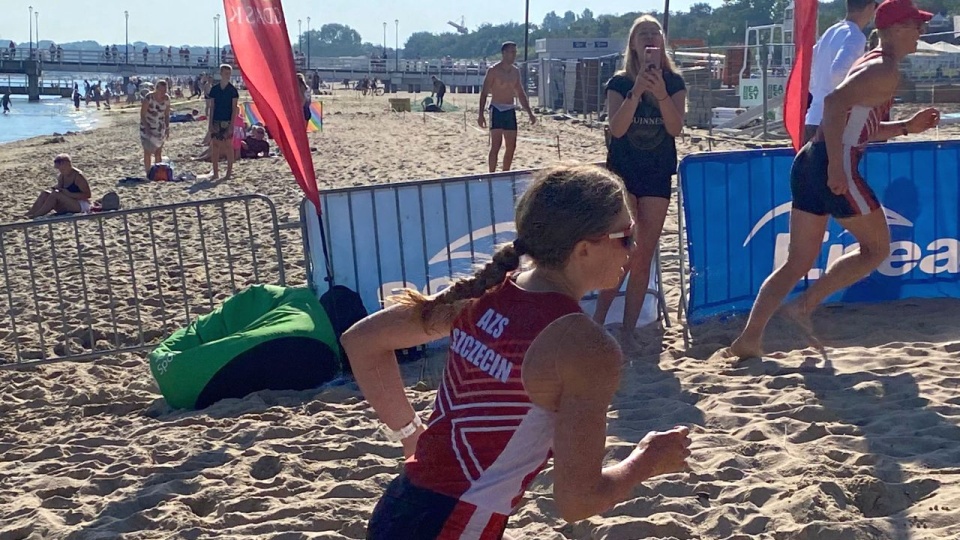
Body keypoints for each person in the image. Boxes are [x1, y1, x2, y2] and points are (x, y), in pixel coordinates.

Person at [342, 164, 693, 540]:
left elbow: (362, 341)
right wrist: (645, 461)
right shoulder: (585, 346)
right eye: (626, 235)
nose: (635, 248)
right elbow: (577, 502)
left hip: (401, 503)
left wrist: (410, 434)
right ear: (584, 249)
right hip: (455, 525)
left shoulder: (481, 293)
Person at [726, 0, 940, 360]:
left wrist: (905, 127)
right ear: (895, 30)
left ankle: (749, 338)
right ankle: (804, 306)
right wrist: (839, 167)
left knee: (797, 262)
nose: (921, 33)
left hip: (810, 159)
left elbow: (857, 126)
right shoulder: (884, 70)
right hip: (830, 161)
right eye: (915, 25)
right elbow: (833, 104)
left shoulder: (874, 63)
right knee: (877, 250)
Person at [591, 15, 687, 353]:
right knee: (621, 252)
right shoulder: (619, 83)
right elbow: (616, 129)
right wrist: (637, 92)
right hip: (623, 172)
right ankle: (597, 323)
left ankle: (628, 331)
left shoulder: (674, 82)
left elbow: (676, 129)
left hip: (657, 172)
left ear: (662, 43)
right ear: (633, 45)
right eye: (642, 34)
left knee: (644, 254)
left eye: (655, 33)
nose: (650, 39)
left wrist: (660, 94)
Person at [803, 0, 878, 145]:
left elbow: (811, 70)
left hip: (812, 118)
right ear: (870, 7)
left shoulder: (830, 32)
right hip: (833, 123)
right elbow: (838, 72)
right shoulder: (855, 36)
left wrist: (820, 91)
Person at [478, 42, 537, 173]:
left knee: (511, 146)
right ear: (504, 53)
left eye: (515, 52)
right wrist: (480, 114)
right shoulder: (493, 71)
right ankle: (491, 174)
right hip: (496, 109)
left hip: (509, 109)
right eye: (511, 52)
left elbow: (520, 93)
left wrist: (530, 113)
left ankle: (505, 173)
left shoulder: (515, 72)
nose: (514, 55)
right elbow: (484, 93)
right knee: (496, 145)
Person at [27, 154, 92, 218]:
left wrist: (69, 194)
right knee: (45, 193)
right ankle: (29, 214)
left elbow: (87, 195)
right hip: (67, 204)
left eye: (61, 168)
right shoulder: (61, 176)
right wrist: (57, 188)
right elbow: (59, 191)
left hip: (81, 205)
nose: (60, 170)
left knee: (56, 194)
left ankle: (36, 215)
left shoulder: (77, 176)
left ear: (67, 164)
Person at [206, 64, 240, 180]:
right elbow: (212, 107)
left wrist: (232, 125)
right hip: (216, 119)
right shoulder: (214, 90)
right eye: (225, 73)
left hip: (227, 120)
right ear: (221, 74)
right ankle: (215, 173)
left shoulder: (233, 90)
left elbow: (234, 109)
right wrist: (210, 124)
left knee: (228, 146)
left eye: (229, 73)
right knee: (215, 147)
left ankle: (228, 173)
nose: (228, 75)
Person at [140, 79, 171, 177]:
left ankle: (158, 172)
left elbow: (166, 114)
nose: (163, 93)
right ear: (156, 89)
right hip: (147, 126)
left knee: (158, 151)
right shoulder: (149, 98)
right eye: (161, 90)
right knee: (147, 151)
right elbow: (142, 114)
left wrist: (167, 127)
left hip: (159, 127)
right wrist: (147, 129)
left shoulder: (166, 99)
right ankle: (148, 172)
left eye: (164, 91)